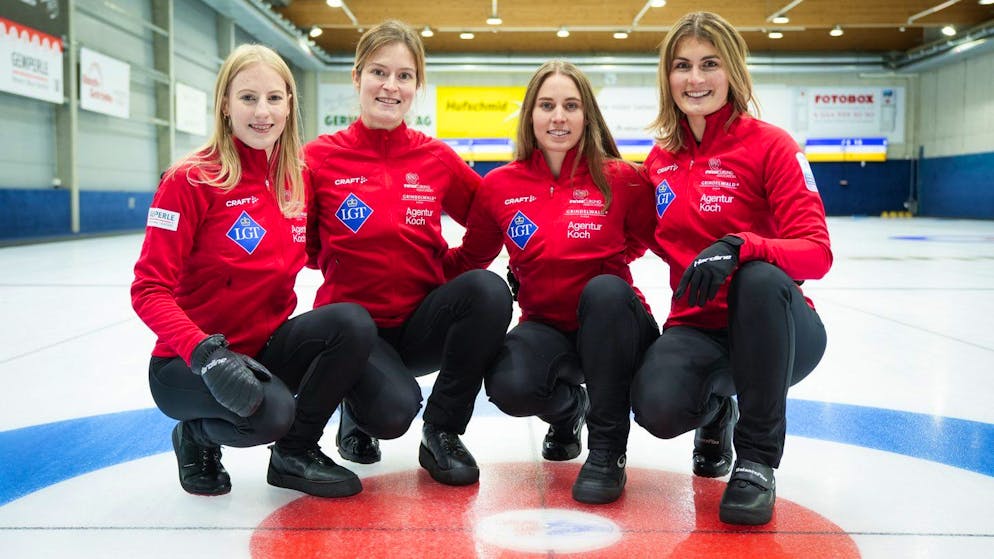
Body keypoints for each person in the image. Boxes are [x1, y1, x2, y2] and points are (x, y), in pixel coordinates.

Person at [131, 44, 377, 499]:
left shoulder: (296, 178)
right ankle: (195, 435)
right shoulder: (190, 180)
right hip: (189, 362)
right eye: (248, 98)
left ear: (289, 105)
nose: (262, 112)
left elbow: (318, 252)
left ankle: (295, 454)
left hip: (262, 349)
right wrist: (205, 354)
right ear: (225, 104)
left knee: (352, 322)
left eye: (274, 98)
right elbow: (148, 289)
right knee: (271, 413)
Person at [631, 11, 832, 525]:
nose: (695, 78)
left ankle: (757, 460)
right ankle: (718, 407)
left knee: (758, 277)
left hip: (777, 328)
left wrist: (742, 246)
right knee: (656, 408)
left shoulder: (773, 146)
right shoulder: (660, 160)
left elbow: (817, 252)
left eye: (709, 64)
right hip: (696, 326)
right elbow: (638, 238)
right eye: (682, 66)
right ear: (667, 77)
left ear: (733, 72)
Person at [304, 20, 513, 487]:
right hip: (354, 332)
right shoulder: (318, 158)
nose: (390, 86)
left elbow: (489, 218)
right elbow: (302, 242)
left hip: (421, 324)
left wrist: (452, 267)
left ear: (417, 85)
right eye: (379, 72)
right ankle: (354, 404)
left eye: (404, 76)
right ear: (357, 77)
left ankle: (442, 432)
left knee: (488, 290)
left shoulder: (435, 158)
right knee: (391, 413)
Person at [445, 60, 659, 504]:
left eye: (570, 106)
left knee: (603, 291)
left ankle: (607, 452)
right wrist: (409, 271)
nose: (558, 117)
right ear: (530, 115)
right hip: (547, 328)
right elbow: (470, 259)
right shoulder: (499, 186)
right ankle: (569, 411)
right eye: (546, 106)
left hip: (616, 327)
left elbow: (657, 240)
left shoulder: (623, 179)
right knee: (510, 385)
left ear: (587, 115)